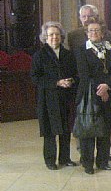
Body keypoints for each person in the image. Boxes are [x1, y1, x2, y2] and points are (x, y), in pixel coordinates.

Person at [31, 22, 78, 170]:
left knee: (65, 130)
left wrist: (71, 81)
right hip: (48, 98)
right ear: (45, 37)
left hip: (65, 97)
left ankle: (65, 158)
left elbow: (76, 74)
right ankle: (50, 160)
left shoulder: (68, 54)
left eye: (57, 34)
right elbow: (35, 78)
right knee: (50, 131)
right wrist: (56, 82)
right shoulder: (39, 55)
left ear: (61, 36)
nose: (54, 37)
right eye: (51, 34)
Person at [75, 19, 111, 174]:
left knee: (105, 130)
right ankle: (87, 163)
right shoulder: (81, 50)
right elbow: (84, 75)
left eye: (97, 30)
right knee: (88, 130)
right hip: (89, 94)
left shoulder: (110, 49)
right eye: (91, 30)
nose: (94, 33)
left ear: (102, 33)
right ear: (86, 33)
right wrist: (101, 89)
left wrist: (107, 87)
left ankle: (103, 160)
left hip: (107, 95)